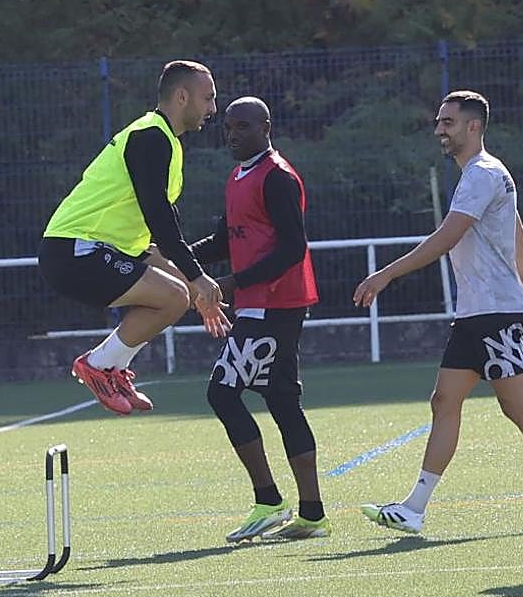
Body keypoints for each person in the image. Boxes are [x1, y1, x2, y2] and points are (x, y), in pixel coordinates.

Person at [354, 91, 523, 536]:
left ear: (474, 127)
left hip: (494, 314)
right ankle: (415, 507)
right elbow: (519, 241)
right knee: (445, 401)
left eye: (448, 122)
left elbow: (445, 238)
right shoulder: (481, 175)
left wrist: (386, 275)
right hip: (476, 313)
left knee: (518, 407)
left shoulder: (483, 175)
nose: (439, 129)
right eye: (439, 121)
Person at [39, 60, 231, 415]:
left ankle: (109, 366)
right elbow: (158, 216)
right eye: (208, 98)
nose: (213, 109)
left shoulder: (167, 142)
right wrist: (195, 276)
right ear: (182, 96)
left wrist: (195, 286)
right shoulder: (150, 137)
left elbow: (153, 234)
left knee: (180, 295)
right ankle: (98, 365)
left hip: (99, 249)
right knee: (177, 292)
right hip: (73, 250)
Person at [190, 97, 328, 541]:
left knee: (223, 394)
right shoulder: (237, 175)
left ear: (266, 126)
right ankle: (312, 514)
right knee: (282, 401)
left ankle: (269, 500)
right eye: (228, 127)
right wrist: (179, 258)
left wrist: (231, 284)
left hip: (275, 305)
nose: (233, 134)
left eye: (243, 126)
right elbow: (224, 239)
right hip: (258, 305)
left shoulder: (278, 177)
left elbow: (292, 248)